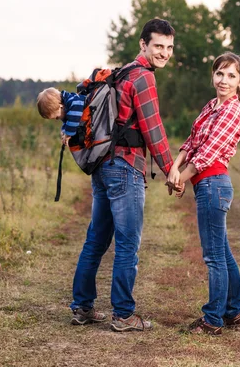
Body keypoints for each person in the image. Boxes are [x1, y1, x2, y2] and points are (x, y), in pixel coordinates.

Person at [69, 18, 176, 332]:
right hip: (125, 168)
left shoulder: (119, 73)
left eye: (169, 48)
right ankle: (124, 315)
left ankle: (82, 307)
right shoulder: (143, 78)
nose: (164, 53)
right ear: (143, 44)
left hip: (102, 166)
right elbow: (153, 131)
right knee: (128, 243)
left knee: (96, 240)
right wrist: (172, 172)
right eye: (158, 46)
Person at [167, 51, 240, 336]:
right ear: (212, 75)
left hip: (214, 184)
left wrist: (180, 179)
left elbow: (207, 153)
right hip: (204, 184)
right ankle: (232, 310)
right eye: (219, 74)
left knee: (214, 257)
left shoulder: (232, 111)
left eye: (231, 76)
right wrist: (174, 168)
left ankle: (213, 319)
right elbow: (191, 142)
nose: (223, 80)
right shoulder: (211, 106)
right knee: (222, 254)